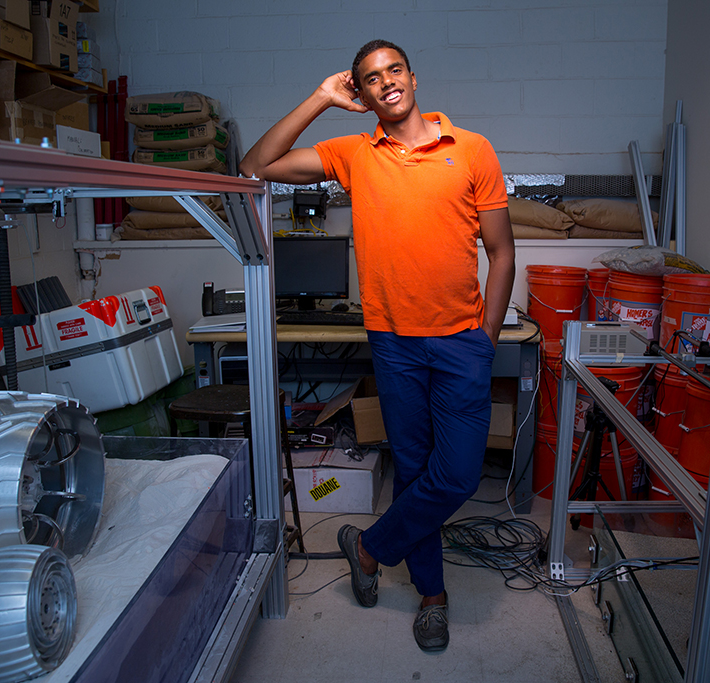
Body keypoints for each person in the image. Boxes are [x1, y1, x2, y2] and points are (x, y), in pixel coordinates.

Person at [239, 39, 515, 652]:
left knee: (459, 474)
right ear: (360, 96)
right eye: (369, 79)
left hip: (461, 343)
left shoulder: (471, 150)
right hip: (394, 345)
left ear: (413, 77)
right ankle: (432, 597)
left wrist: (486, 336)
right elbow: (255, 167)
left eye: (393, 70)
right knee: (414, 471)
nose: (385, 82)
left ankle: (367, 548)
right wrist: (319, 97)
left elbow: (501, 252)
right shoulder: (353, 154)